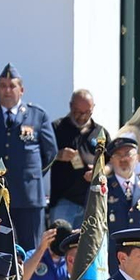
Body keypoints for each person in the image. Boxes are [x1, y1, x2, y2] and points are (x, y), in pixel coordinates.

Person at [0, 64, 57, 250]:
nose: (7, 90)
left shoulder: (37, 115)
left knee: (31, 247)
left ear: (21, 90)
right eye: (3, 85)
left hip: (28, 196)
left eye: (12, 86)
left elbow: (50, 153)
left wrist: (28, 176)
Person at [49, 90, 104, 229]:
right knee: (59, 245)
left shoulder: (100, 132)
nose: (82, 117)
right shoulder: (56, 128)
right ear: (70, 106)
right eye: (77, 112)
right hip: (63, 201)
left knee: (88, 248)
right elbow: (41, 157)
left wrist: (99, 171)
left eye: (87, 112)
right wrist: (58, 155)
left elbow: (111, 162)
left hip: (92, 201)